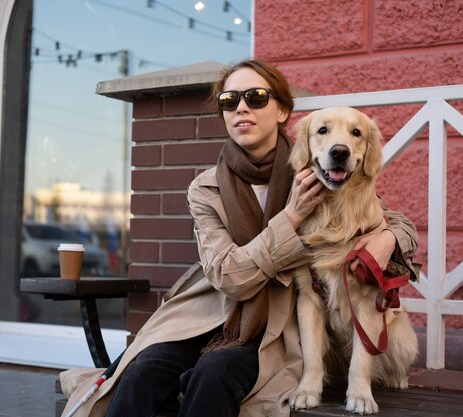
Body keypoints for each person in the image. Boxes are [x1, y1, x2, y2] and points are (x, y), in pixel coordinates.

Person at [60, 59, 419, 417]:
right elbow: (228, 276)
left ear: (282, 111)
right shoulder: (207, 187)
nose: (241, 107)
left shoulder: (318, 170)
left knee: (214, 375)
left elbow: (390, 220)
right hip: (209, 313)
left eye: (256, 96)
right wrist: (291, 216)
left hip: (272, 328)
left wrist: (388, 237)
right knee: (141, 373)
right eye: (229, 101)